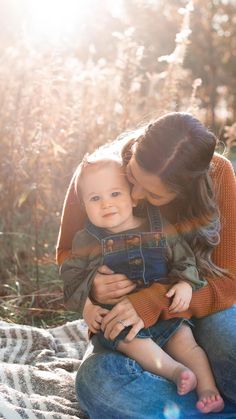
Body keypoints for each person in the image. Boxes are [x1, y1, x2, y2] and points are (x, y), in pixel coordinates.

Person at [57, 112, 236, 418]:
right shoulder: (98, 173)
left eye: (153, 193)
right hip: (123, 327)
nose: (136, 195)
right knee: (98, 384)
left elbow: (229, 281)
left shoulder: (217, 174)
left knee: (229, 346)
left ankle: (201, 399)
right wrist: (91, 287)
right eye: (132, 178)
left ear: (186, 190)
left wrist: (154, 302)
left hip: (195, 310)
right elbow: (66, 253)